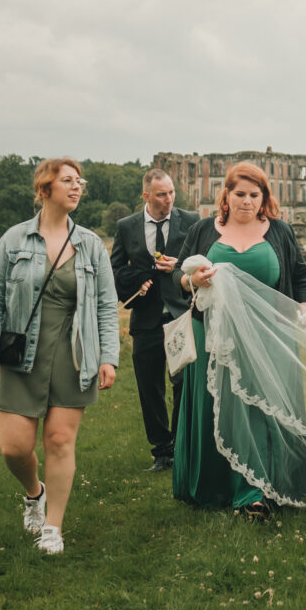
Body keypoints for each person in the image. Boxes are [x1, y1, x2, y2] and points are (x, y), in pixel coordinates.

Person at [0, 158, 119, 555]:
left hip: (73, 353)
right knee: (15, 448)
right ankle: (33, 493)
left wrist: (109, 357)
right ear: (45, 189)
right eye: (68, 181)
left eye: (80, 181)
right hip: (22, 353)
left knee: (58, 440)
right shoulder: (15, 240)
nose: (77, 187)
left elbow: (107, 306)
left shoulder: (90, 244)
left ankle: (53, 526)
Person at [171, 162, 306, 516]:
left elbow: (300, 274)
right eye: (239, 194)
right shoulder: (202, 230)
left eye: (254, 195)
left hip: (267, 334)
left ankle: (255, 491)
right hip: (212, 334)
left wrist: (304, 311)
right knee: (217, 406)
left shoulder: (280, 231)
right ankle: (216, 486)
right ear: (225, 195)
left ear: (264, 198)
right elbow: (179, 275)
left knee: (259, 408)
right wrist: (192, 281)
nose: (246, 201)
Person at [111, 168, 199, 472]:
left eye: (172, 192)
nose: (169, 199)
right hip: (146, 318)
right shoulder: (126, 227)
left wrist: (181, 267)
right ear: (146, 196)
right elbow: (116, 270)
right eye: (162, 194)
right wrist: (137, 282)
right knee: (149, 388)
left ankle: (182, 446)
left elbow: (205, 261)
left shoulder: (192, 220)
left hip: (181, 313)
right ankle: (161, 451)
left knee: (183, 383)